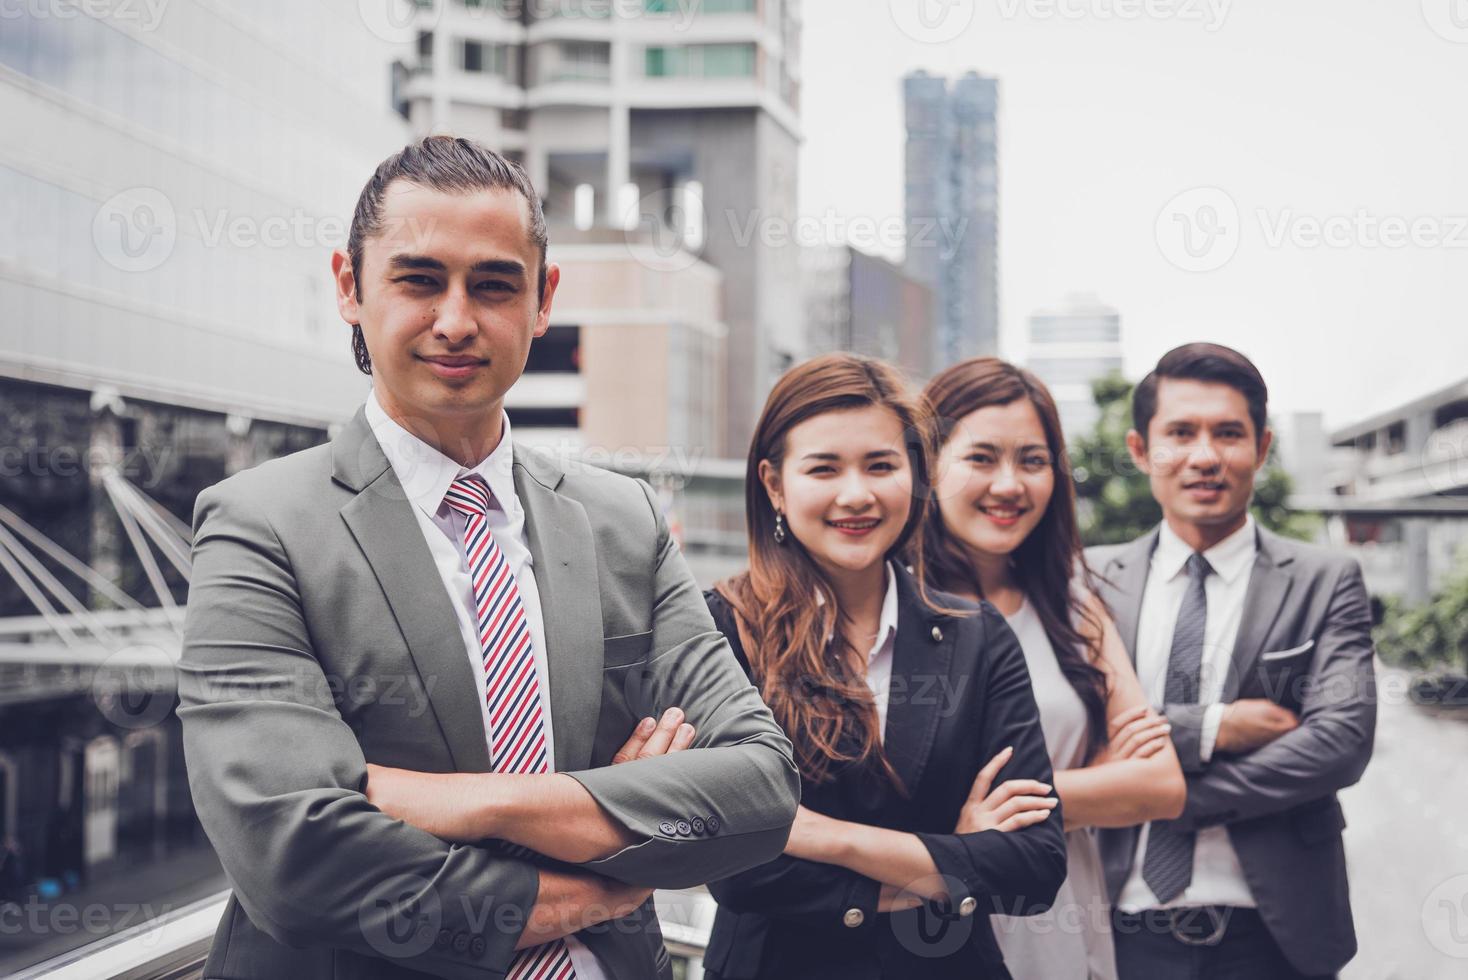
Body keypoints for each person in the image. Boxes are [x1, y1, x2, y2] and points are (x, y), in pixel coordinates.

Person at [177, 136, 800, 980]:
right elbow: (289, 857)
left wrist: (472, 804)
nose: (458, 320)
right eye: (419, 278)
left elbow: (760, 793)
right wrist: (603, 866)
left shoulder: (625, 522)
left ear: (543, 301)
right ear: (348, 287)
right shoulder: (260, 527)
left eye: (494, 284)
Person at [700, 353, 1067, 979]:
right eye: (823, 468)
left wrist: (827, 837)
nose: (857, 494)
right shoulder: (721, 627)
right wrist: (948, 861)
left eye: (881, 465)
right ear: (774, 484)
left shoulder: (976, 637)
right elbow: (737, 866)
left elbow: (1033, 867)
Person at [1088, 342, 1376, 979]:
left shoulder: (1325, 580)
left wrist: (1158, 795)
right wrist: (1215, 726)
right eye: (1180, 433)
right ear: (1141, 451)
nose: (1205, 456)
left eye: (1228, 434)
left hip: (1276, 933)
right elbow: (1078, 737)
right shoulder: (1087, 580)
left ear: (1262, 448)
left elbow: (1340, 741)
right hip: (1117, 926)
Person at [920, 357, 1187, 980]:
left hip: (1060, 920)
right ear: (927, 467)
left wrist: (995, 809)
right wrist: (1093, 780)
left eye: (1033, 461)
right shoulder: (888, 603)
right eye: (981, 458)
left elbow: (1161, 786)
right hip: (929, 914)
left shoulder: (1071, 601)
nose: (1010, 484)